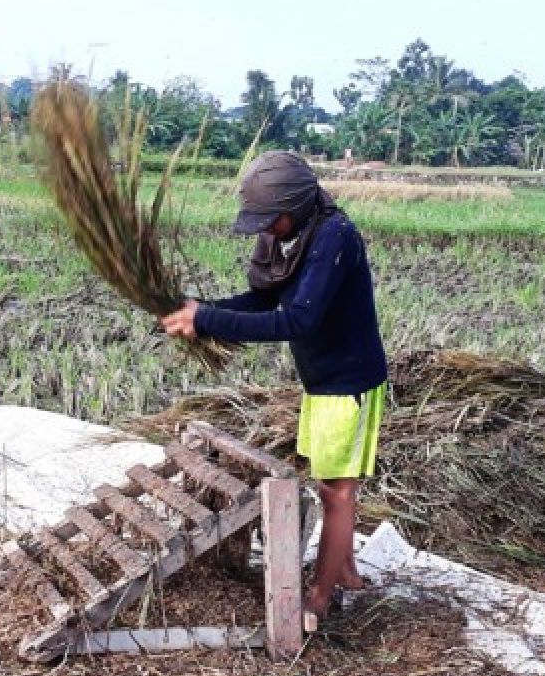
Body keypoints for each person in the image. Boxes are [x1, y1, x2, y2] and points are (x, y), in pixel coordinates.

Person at [159, 150, 388, 632]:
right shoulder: (293, 238)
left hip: (346, 384)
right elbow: (264, 300)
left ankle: (321, 597)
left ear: (298, 205)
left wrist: (208, 318)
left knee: (336, 492)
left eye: (272, 219)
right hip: (322, 382)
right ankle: (345, 570)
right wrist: (203, 313)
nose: (268, 229)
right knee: (334, 482)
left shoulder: (335, 237)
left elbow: (297, 319)